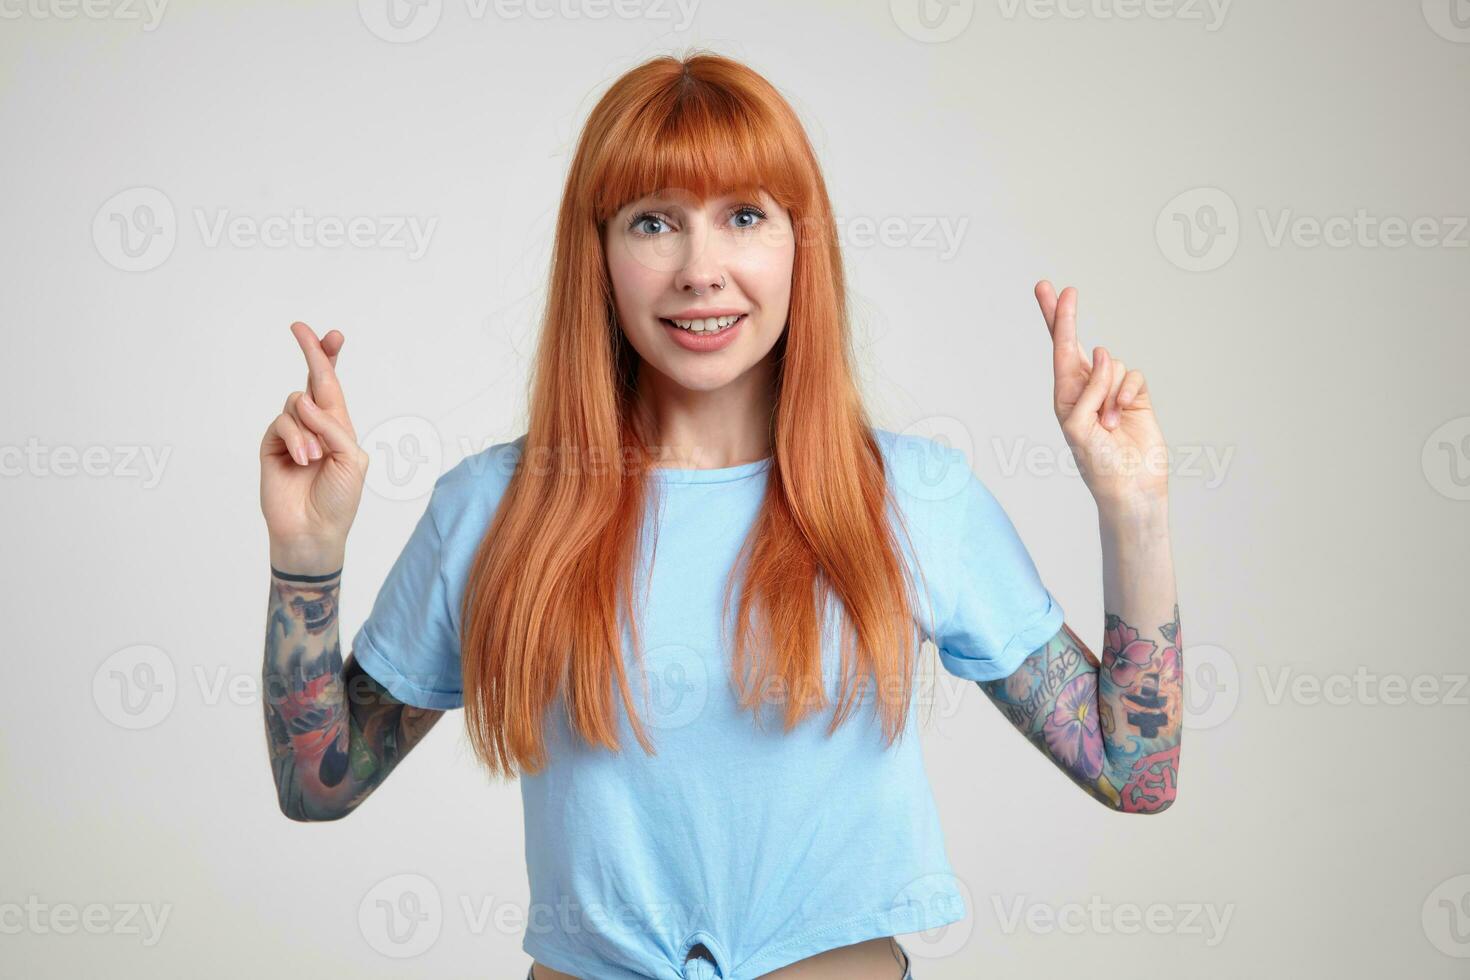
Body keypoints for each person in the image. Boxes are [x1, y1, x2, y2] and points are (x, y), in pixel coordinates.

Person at [258, 51, 1182, 980]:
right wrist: (307, 557)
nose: (702, 271)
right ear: (600, 253)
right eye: (653, 221)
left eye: (744, 216)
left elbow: (1134, 771)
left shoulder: (912, 497)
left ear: (797, 243)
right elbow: (318, 786)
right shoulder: (494, 509)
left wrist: (1132, 506)